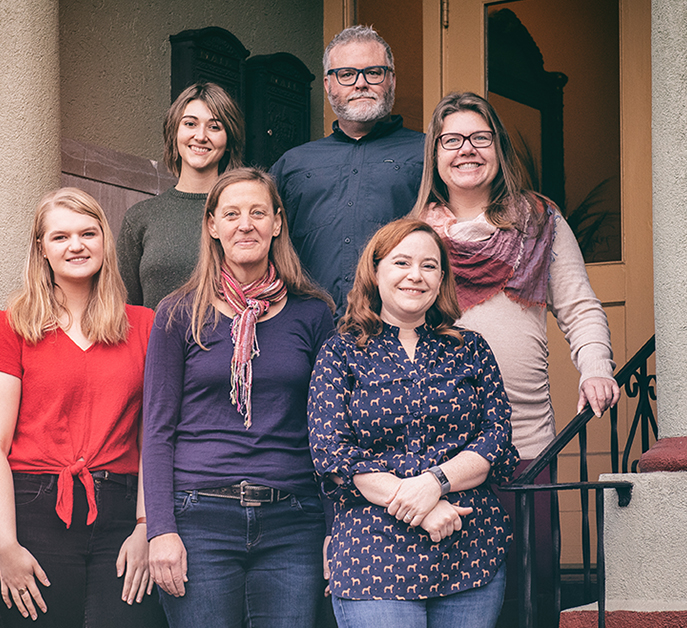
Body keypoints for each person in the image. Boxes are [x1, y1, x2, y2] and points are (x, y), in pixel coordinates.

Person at [412, 92, 620, 615]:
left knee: (529, 597)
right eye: (452, 140)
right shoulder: (416, 235)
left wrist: (596, 368)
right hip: (441, 454)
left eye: (480, 138)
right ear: (434, 154)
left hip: (526, 448)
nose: (466, 150)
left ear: (499, 148)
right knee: (454, 604)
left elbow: (580, 308)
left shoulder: (540, 222)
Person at [142, 168, 336, 627]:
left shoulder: (314, 313)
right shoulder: (178, 312)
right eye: (231, 213)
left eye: (257, 212)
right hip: (199, 518)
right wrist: (161, 530)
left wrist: (334, 528)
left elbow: (328, 432)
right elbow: (156, 430)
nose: (245, 224)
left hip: (293, 521)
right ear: (212, 225)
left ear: (277, 223)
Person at [0, 187, 165, 628]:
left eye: (88, 233)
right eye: (60, 237)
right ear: (41, 249)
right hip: (30, 515)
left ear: (104, 242)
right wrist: (5, 547)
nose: (76, 245)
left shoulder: (145, 326)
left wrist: (145, 526)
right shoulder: (11, 327)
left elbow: (155, 436)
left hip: (120, 515)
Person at [309, 218, 519, 628]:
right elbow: (332, 452)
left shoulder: (470, 349)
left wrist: (434, 482)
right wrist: (422, 507)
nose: (415, 276)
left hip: (468, 549)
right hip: (374, 554)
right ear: (376, 271)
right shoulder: (340, 353)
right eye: (401, 262)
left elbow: (496, 437)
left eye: (429, 266)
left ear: (441, 279)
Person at [270, 25, 424, 309]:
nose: (361, 83)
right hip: (312, 330)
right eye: (347, 74)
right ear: (329, 84)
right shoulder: (292, 164)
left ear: (391, 80)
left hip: (398, 325)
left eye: (374, 72)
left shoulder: (428, 153)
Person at [119, 82, 245, 308]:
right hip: (156, 343)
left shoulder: (246, 218)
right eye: (190, 124)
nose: (201, 136)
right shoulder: (140, 218)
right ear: (174, 133)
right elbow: (127, 310)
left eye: (214, 127)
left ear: (228, 141)